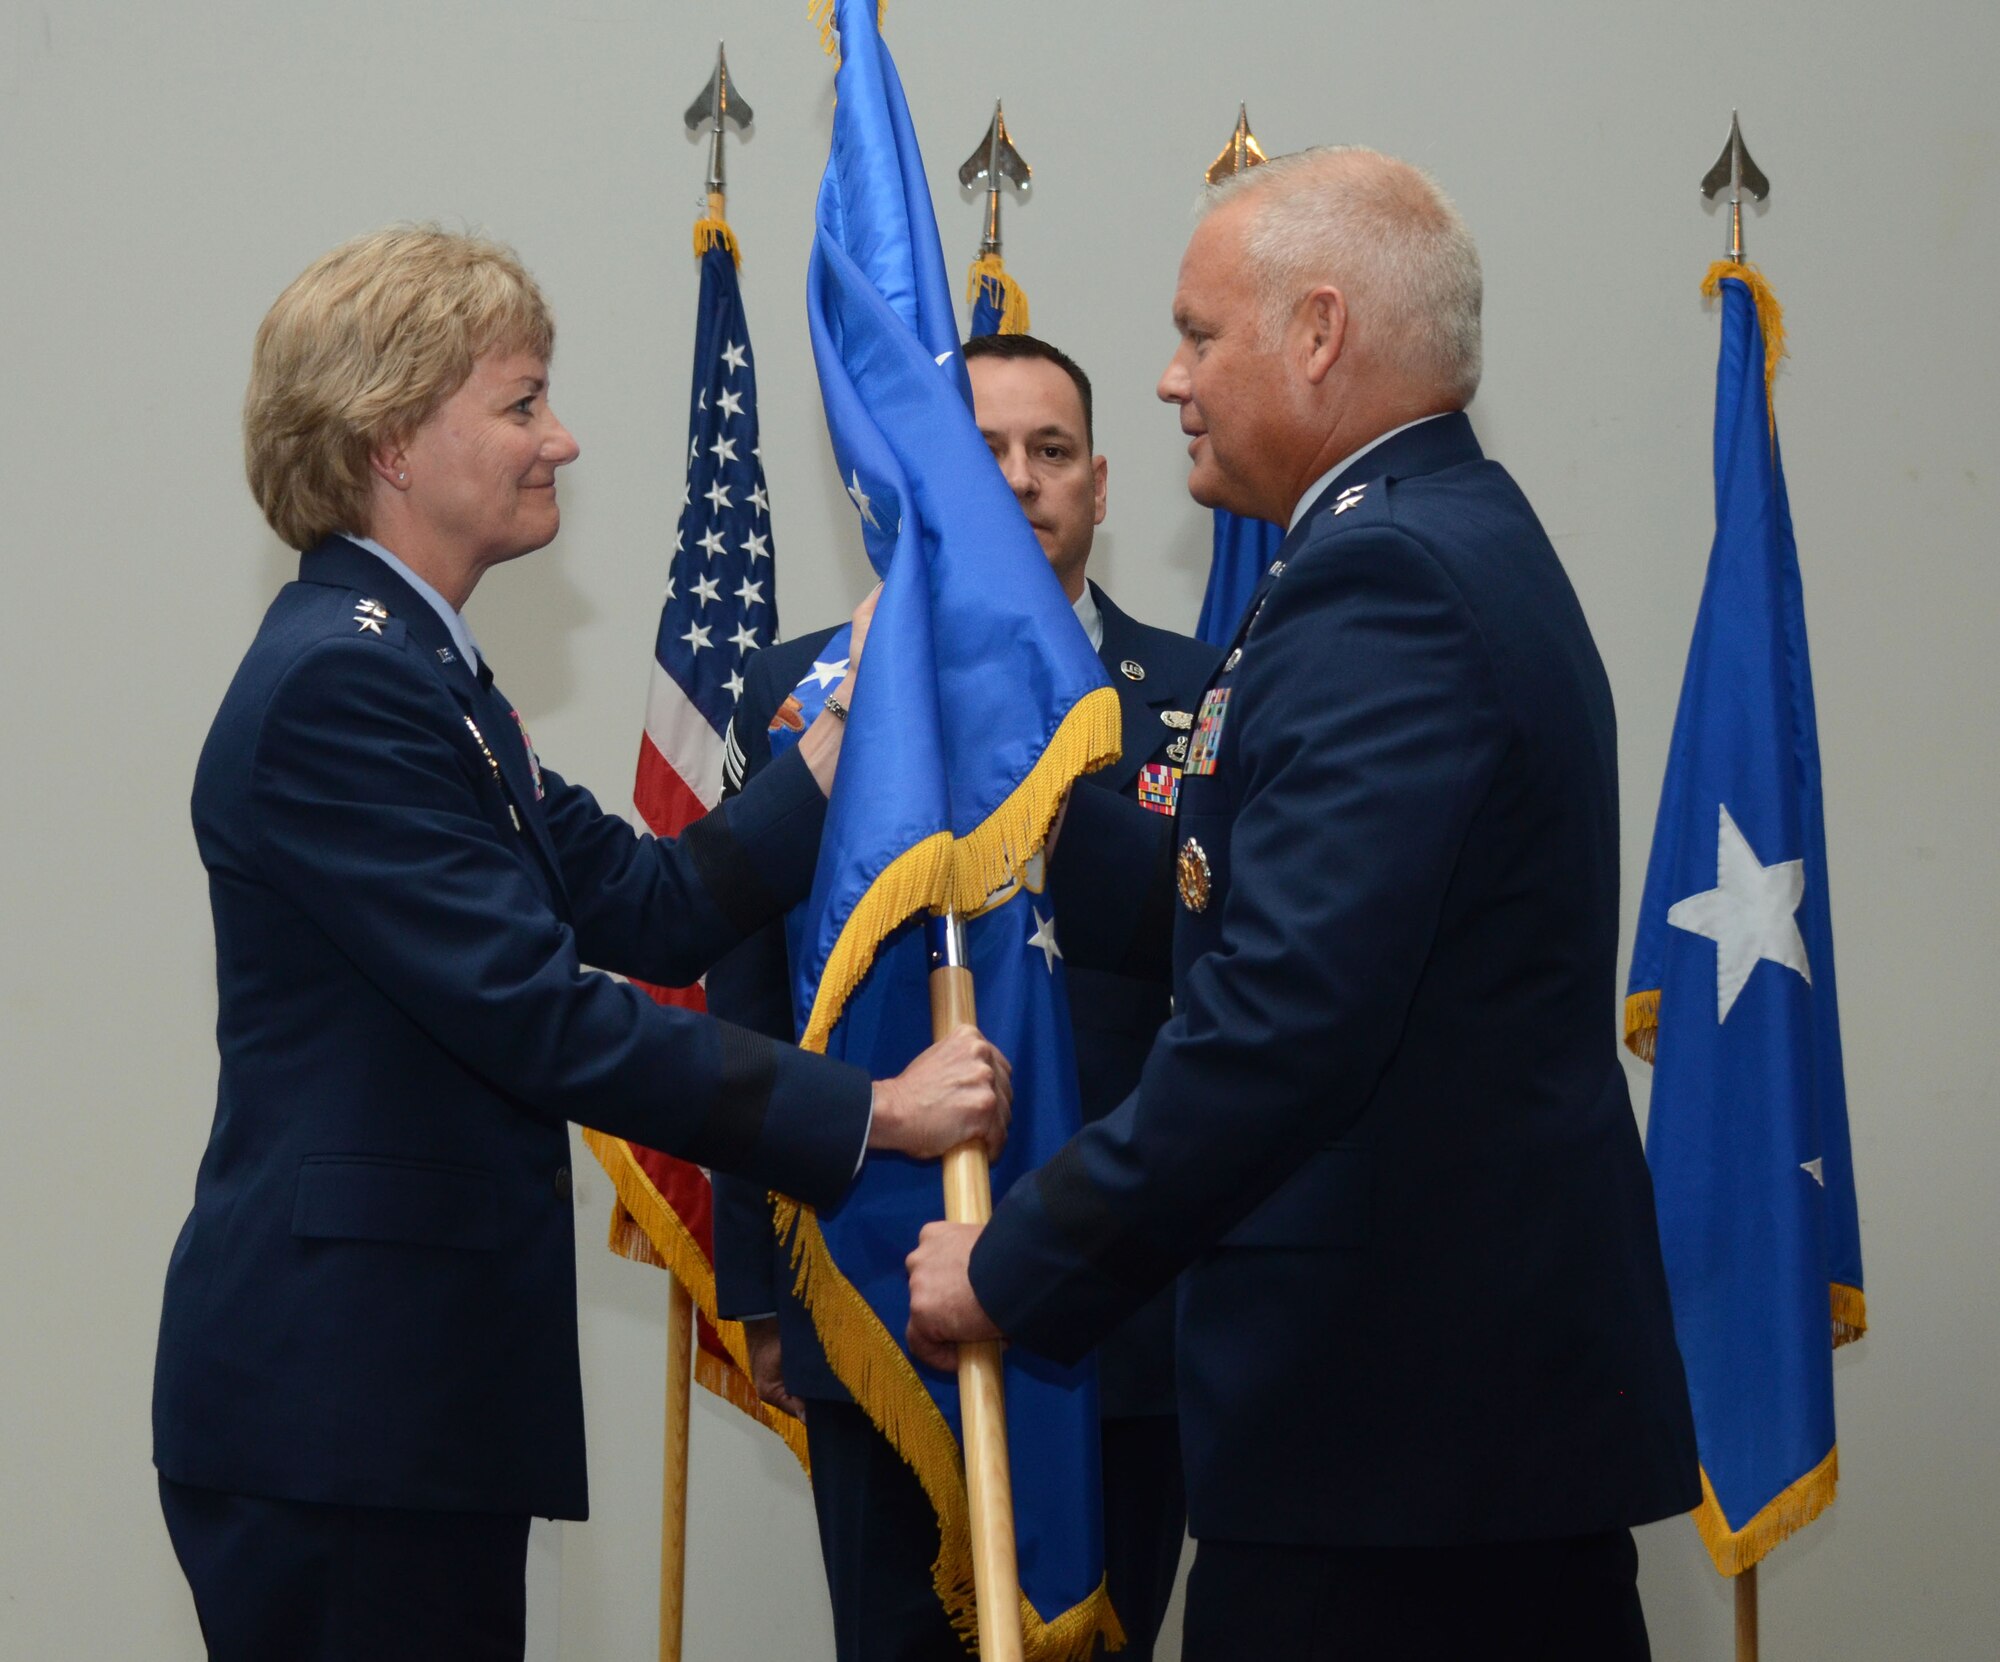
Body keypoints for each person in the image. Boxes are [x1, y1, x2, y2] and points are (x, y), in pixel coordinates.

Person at [152, 225, 1011, 1662]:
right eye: (521, 402)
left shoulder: (419, 668)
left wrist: (840, 730)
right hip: (341, 1402)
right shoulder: (343, 689)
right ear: (391, 439)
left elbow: (651, 901)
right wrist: (869, 1113)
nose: (564, 439)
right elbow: (543, 1017)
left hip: (399, 1400)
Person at [906, 149, 1701, 1661]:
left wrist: (1014, 1264)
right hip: (1436, 1445)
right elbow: (1223, 903)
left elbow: (1282, 1021)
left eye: (1202, 334)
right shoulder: (1425, 535)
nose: (1168, 377)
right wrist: (1023, 768)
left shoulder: (1382, 577)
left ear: (1320, 333)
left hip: (1402, 1452)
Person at [709, 333, 1214, 1661]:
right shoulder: (807, 691)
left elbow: (1219, 982)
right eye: (984, 451)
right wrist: (762, 1286)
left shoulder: (1195, 698)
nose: (1021, 479)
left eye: (1052, 451)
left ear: (1102, 485)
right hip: (875, 1273)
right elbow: (752, 995)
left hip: (1124, 1300)